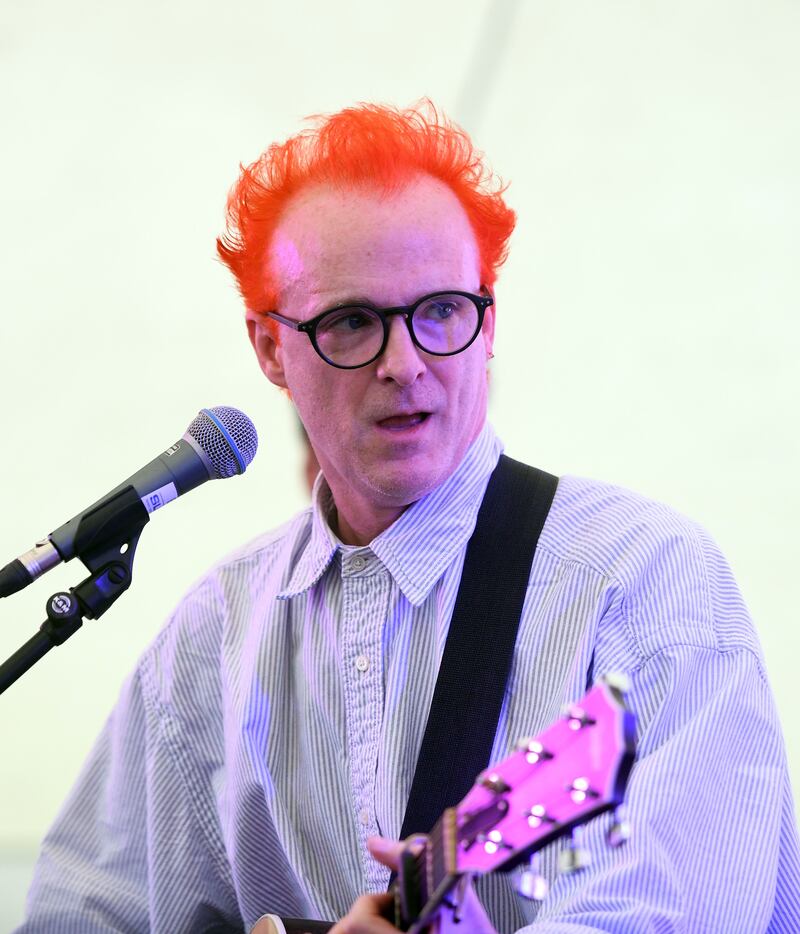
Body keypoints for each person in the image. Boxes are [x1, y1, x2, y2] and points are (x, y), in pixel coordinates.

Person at [18, 102, 800, 933]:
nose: (404, 363)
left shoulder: (641, 580)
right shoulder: (211, 640)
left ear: (488, 323)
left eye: (441, 312)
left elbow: (677, 913)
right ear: (269, 348)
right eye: (352, 322)